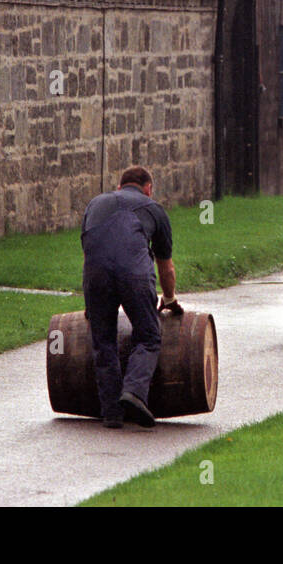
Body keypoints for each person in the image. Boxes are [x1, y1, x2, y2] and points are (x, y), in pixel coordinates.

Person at [80, 165, 182, 429]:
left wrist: (89, 301)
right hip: (134, 276)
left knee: (103, 342)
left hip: (96, 276)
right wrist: (169, 298)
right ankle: (135, 392)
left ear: (118, 188)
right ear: (148, 189)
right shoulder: (155, 210)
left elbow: (89, 253)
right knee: (148, 336)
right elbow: (166, 267)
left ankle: (112, 413)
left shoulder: (95, 204)